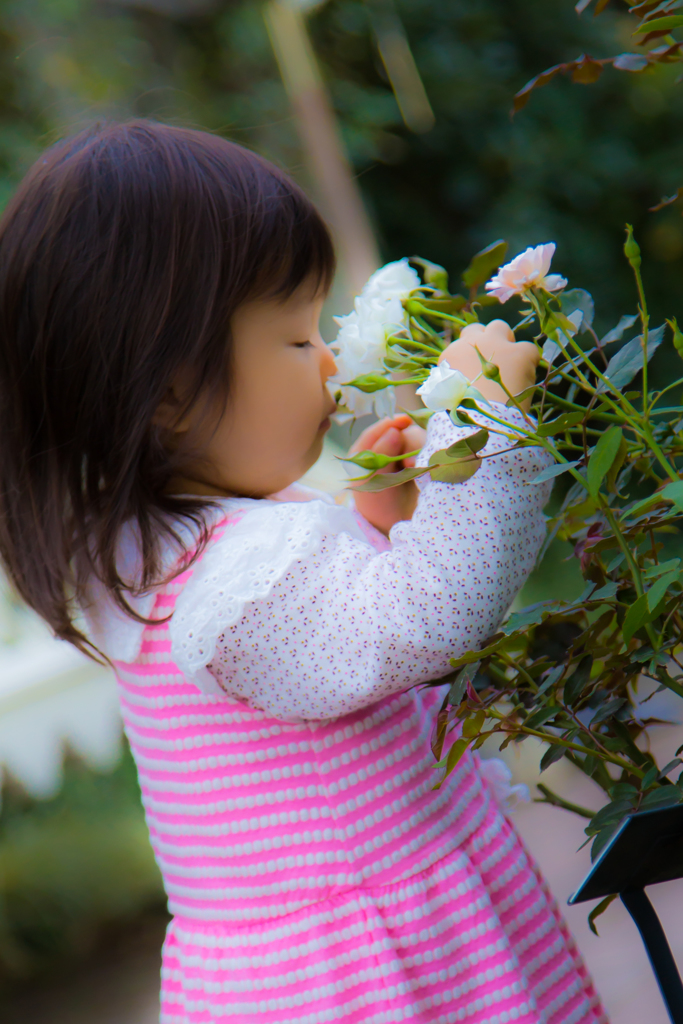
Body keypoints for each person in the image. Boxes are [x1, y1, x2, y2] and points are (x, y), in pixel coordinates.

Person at [0, 121, 606, 1024]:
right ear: (166, 393)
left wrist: (383, 530)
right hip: (379, 977)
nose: (327, 360)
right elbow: (429, 619)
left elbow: (357, 650)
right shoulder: (237, 580)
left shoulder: (169, 551)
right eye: (293, 337)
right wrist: (487, 430)